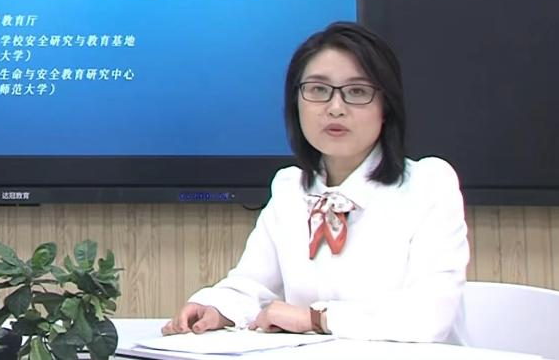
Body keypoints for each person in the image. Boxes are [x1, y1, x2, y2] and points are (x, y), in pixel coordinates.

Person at [163, 21, 468, 344]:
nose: (335, 108)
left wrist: (316, 319)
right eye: (319, 90)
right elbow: (254, 285)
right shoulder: (290, 188)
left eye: (357, 92)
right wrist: (216, 308)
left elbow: (428, 316)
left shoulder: (429, 185)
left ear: (386, 107)